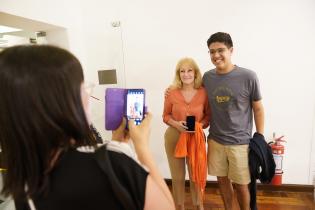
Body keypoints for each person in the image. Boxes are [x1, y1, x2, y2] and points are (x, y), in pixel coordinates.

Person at [0, 45, 175, 210]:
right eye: (83, 88)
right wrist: (141, 146)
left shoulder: (23, 182)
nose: (88, 95)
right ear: (60, 103)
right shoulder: (115, 163)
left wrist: (116, 143)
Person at [203, 32, 264, 210]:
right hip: (215, 140)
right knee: (222, 180)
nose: (216, 55)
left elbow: (258, 108)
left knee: (242, 185)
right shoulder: (207, 78)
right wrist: (171, 90)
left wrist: (259, 136)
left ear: (231, 50)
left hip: (240, 142)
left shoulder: (248, 76)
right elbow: (189, 88)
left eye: (220, 50)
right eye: (211, 51)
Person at [163, 57, 210, 210]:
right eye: (182, 71)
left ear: (195, 73)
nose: (186, 74)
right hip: (174, 137)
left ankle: (199, 205)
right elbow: (165, 116)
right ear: (178, 74)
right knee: (177, 176)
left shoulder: (204, 92)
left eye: (189, 70)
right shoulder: (172, 92)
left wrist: (198, 126)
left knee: (196, 173)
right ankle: (180, 206)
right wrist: (177, 124)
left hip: (195, 138)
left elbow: (208, 116)